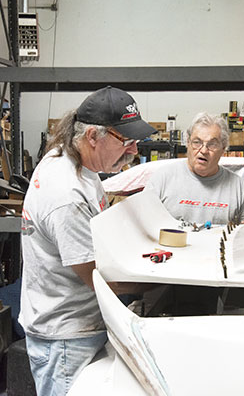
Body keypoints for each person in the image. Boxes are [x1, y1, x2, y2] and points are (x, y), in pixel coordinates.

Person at [19, 86, 155, 396]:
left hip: (80, 324)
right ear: (93, 136)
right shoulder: (66, 194)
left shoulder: (78, 163)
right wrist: (163, 282)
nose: (134, 151)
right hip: (66, 336)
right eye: (126, 141)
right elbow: (100, 278)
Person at [146, 112, 244, 225]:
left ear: (223, 149)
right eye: (197, 142)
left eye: (212, 144)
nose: (204, 150)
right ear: (187, 143)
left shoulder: (236, 185)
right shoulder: (162, 177)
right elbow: (142, 222)